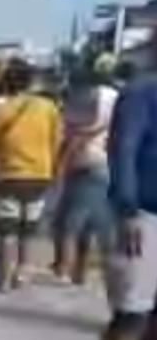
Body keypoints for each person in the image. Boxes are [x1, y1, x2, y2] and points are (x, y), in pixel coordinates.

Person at [95, 54, 157, 340]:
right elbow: (124, 153)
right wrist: (128, 208)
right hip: (144, 215)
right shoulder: (141, 94)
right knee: (132, 314)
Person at [0, 59, 62, 291]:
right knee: (29, 228)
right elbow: (56, 142)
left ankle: (3, 279)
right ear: (30, 82)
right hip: (39, 176)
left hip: (9, 176)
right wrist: (54, 170)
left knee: (7, 230)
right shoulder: (48, 108)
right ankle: (22, 275)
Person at [51, 64, 119, 286]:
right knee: (85, 226)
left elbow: (72, 140)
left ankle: (64, 271)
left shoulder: (84, 109)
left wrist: (59, 169)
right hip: (102, 169)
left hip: (86, 167)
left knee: (69, 224)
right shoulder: (111, 106)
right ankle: (78, 273)